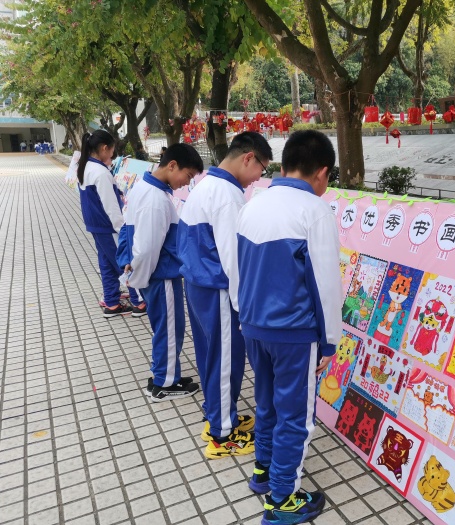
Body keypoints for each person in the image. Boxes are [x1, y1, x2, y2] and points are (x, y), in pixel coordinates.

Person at [236, 130, 343, 524]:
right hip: (294, 334)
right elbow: (326, 286)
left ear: (285, 165)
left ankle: (263, 471)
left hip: (253, 326)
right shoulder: (314, 211)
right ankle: (282, 499)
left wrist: (246, 317)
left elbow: (238, 270)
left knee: (266, 403)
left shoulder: (253, 204)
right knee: (296, 416)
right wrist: (329, 342)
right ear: (323, 172)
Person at [177, 132, 272, 459]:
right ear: (248, 158)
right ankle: (221, 434)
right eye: (261, 168)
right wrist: (244, 307)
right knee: (226, 359)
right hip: (217, 288)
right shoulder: (228, 195)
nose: (259, 177)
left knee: (210, 354)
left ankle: (217, 412)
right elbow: (234, 259)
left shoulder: (206, 185)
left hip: (198, 284)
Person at [118, 144, 203, 402]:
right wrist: (140, 280)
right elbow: (147, 249)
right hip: (161, 276)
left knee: (164, 328)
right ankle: (164, 383)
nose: (186, 183)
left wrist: (134, 274)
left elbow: (128, 231)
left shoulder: (144, 188)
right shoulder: (156, 200)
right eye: (187, 176)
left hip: (154, 276)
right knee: (169, 329)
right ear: (172, 165)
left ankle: (164, 373)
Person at [76, 130, 143, 317]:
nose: (113, 155)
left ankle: (112, 302)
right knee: (124, 262)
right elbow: (110, 206)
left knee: (106, 263)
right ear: (105, 148)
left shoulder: (86, 167)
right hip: (108, 226)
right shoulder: (100, 172)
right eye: (112, 151)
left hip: (96, 226)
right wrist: (122, 230)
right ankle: (138, 301)